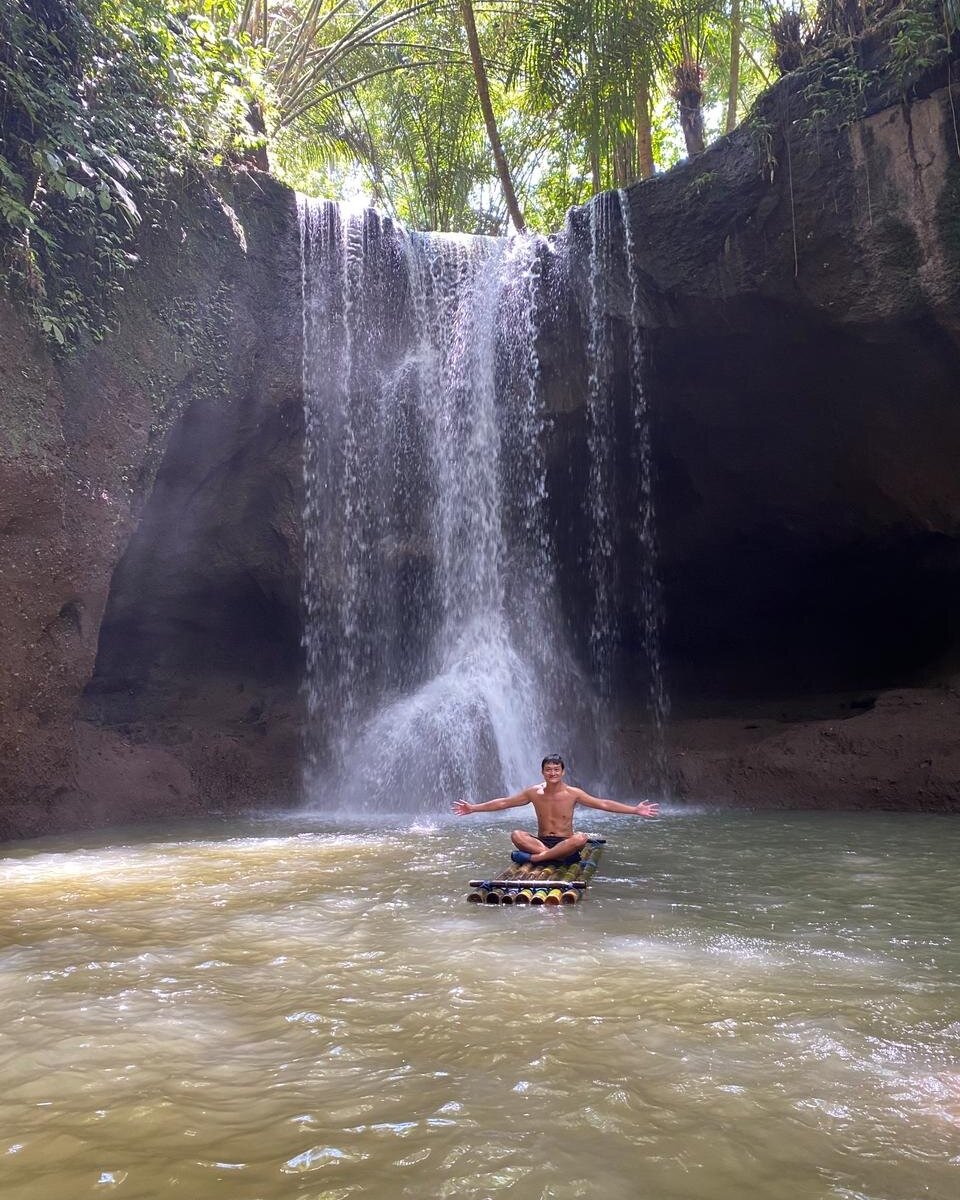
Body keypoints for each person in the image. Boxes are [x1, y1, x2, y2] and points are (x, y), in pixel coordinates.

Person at [452, 754, 659, 865]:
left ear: (563, 771)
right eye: (548, 770)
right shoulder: (534, 792)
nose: (552, 773)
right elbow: (505, 803)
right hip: (542, 841)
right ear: (542, 772)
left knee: (581, 838)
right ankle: (554, 856)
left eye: (556, 769)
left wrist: (634, 810)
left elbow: (603, 804)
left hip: (565, 841)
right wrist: (473, 808)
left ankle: (538, 859)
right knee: (516, 834)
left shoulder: (573, 793)